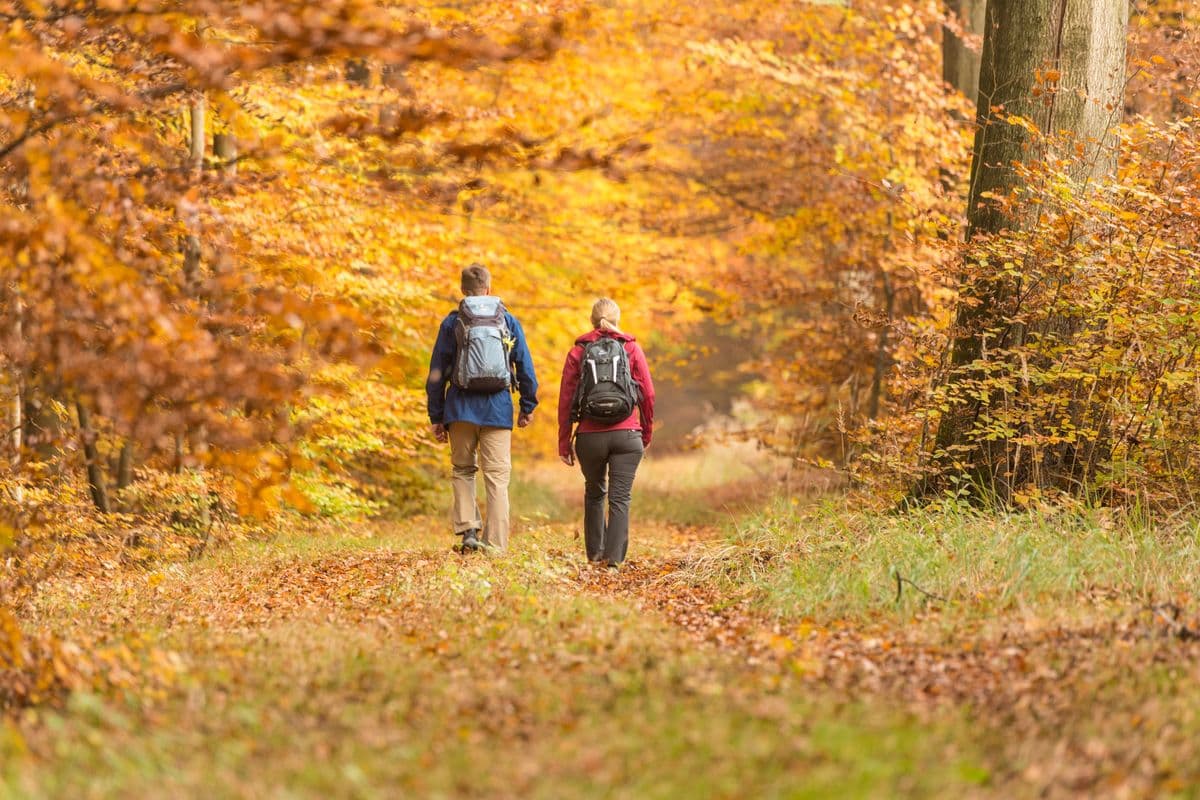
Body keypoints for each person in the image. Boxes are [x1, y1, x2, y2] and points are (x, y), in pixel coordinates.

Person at [426, 264, 538, 553]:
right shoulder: (507, 320)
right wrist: (527, 405)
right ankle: (496, 544)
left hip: (460, 410)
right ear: (489, 289)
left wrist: (436, 415)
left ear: (463, 290)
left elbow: (436, 372)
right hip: (497, 410)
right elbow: (525, 366)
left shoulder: (452, 322)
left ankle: (468, 531)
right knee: (497, 478)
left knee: (463, 470)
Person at [557, 298, 655, 572]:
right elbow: (648, 394)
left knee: (594, 492)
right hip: (627, 434)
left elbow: (566, 400)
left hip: (589, 437)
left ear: (592, 321)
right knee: (620, 498)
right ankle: (614, 561)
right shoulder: (631, 348)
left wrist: (564, 442)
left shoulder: (578, 351)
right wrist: (645, 433)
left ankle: (594, 555)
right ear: (617, 320)